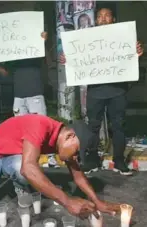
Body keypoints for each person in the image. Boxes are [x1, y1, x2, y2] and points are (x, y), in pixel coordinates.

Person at [0, 114, 120, 220]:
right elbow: (28, 168)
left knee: (21, 166)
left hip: (14, 157)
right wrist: (68, 201)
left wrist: (97, 201)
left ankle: (15, 181)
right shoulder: (40, 125)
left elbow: (78, 174)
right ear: (69, 136)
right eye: (76, 153)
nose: (74, 158)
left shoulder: (65, 143)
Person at [59, 7, 144, 175]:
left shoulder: (124, 37)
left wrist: (136, 53)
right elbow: (76, 56)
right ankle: (92, 161)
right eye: (99, 16)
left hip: (117, 90)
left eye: (107, 16)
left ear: (113, 19)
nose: (103, 18)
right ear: (95, 21)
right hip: (95, 91)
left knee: (119, 127)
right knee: (93, 127)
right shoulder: (86, 40)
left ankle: (119, 162)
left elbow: (131, 56)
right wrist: (67, 59)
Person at [0, 32, 59, 168]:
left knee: (42, 127)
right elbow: (6, 74)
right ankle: (25, 156)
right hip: (18, 97)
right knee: (21, 129)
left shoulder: (35, 50)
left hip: (35, 94)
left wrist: (44, 42)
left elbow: (49, 63)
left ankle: (50, 157)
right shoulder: (14, 56)